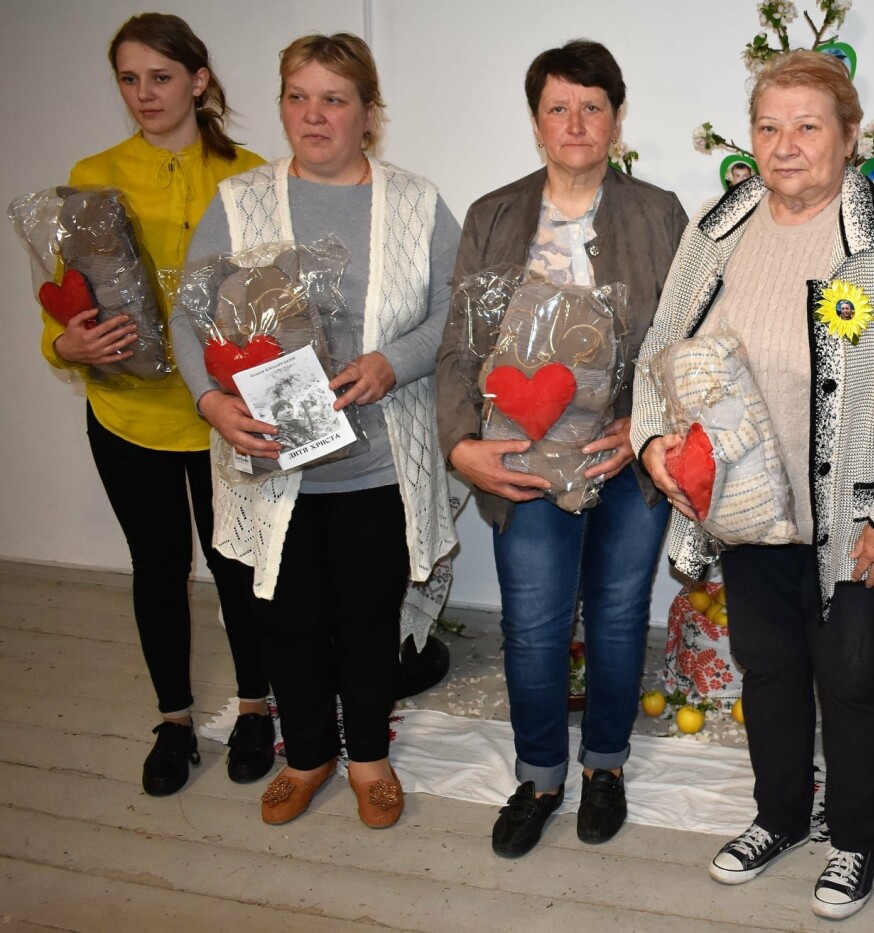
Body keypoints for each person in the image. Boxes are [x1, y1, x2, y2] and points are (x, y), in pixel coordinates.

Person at [631, 50, 874, 919]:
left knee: (849, 675)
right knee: (769, 665)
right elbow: (663, 343)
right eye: (769, 126)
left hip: (858, 515)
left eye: (808, 126)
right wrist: (654, 441)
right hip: (746, 504)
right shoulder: (721, 223)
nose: (785, 145)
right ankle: (777, 816)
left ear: (850, 137)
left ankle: (852, 837)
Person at [170, 33, 459, 830]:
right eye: (298, 97)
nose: (314, 114)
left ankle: (367, 757)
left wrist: (394, 362)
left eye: (334, 99)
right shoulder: (241, 202)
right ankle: (306, 756)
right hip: (271, 464)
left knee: (368, 616)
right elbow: (189, 317)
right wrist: (210, 401)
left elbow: (453, 308)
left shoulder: (415, 202)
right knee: (285, 617)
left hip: (377, 461)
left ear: (369, 114)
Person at [436, 39, 686, 858]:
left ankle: (604, 765)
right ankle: (540, 775)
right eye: (558, 107)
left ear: (616, 119)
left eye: (592, 107)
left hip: (625, 459)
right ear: (536, 120)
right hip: (522, 461)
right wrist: (461, 444)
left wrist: (645, 423)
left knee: (617, 615)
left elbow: (689, 338)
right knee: (535, 624)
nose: (576, 123)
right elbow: (457, 348)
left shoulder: (659, 213)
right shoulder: (494, 215)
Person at [32, 13, 271, 798]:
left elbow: (277, 299)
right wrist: (65, 345)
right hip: (128, 415)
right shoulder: (93, 173)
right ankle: (173, 720)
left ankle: (257, 707)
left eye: (161, 78)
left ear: (198, 82)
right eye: (129, 80)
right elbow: (65, 300)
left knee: (238, 563)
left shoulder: (251, 174)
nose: (144, 94)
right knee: (159, 569)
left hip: (224, 415)